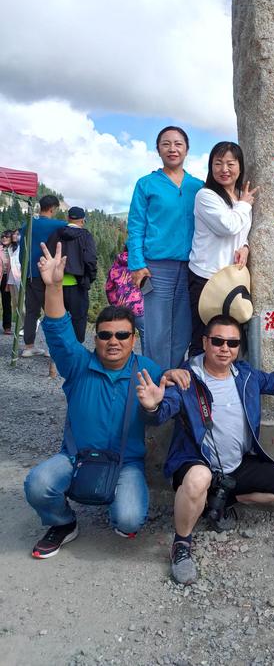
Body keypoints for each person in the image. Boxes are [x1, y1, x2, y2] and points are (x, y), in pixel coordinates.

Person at [136, 313, 274, 585]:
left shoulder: (245, 375)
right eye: (218, 341)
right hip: (196, 461)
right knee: (199, 478)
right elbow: (161, 414)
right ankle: (182, 545)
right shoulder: (185, 378)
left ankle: (225, 500)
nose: (224, 348)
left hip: (236, 464)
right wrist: (152, 405)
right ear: (205, 342)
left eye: (232, 343)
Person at [23, 242, 190, 559]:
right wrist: (54, 286)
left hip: (125, 463)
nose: (113, 341)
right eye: (105, 335)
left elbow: (161, 411)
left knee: (129, 519)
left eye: (122, 335)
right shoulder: (77, 364)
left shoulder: (149, 370)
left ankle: (115, 501)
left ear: (133, 339)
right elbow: (58, 331)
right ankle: (62, 523)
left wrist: (158, 399)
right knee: (37, 483)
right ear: (95, 337)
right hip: (75, 457)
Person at [127, 126, 204, 368]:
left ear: (187, 149)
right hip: (156, 268)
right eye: (166, 144)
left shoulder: (198, 186)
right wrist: (137, 264)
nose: (173, 149)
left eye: (178, 143)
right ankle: (154, 386)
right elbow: (136, 226)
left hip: (192, 267)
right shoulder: (146, 184)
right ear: (158, 149)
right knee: (157, 330)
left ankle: (174, 387)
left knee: (183, 330)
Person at [188, 142, 257, 356]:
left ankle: (226, 385)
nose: (224, 169)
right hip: (206, 278)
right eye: (218, 163)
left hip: (232, 280)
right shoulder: (206, 196)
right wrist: (245, 204)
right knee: (206, 338)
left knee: (230, 339)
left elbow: (240, 232)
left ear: (240, 166)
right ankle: (197, 387)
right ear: (211, 167)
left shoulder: (239, 195)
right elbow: (228, 227)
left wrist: (244, 246)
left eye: (230, 163)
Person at [20, 194, 67, 356]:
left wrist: (25, 271)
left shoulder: (27, 224)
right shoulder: (58, 225)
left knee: (31, 312)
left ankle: (28, 346)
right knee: (51, 311)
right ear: (53, 209)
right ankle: (55, 349)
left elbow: (22, 250)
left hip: (28, 274)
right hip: (45, 274)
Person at [46, 206, 97, 343]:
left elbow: (48, 257)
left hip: (56, 285)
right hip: (78, 286)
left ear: (68, 218)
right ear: (83, 220)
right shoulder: (86, 236)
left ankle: (56, 355)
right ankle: (76, 351)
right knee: (78, 320)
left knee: (57, 319)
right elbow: (90, 260)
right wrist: (89, 278)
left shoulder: (56, 234)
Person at [105, 247, 145, 347]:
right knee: (146, 337)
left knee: (122, 337)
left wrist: (115, 305)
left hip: (121, 310)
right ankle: (147, 360)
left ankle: (123, 360)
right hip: (139, 309)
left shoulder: (115, 267)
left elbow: (109, 289)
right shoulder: (142, 266)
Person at [1, 230, 13, 333]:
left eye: (7, 236)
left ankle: (7, 326)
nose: (4, 238)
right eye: (2, 236)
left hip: (7, 278)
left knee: (6, 302)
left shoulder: (14, 249)